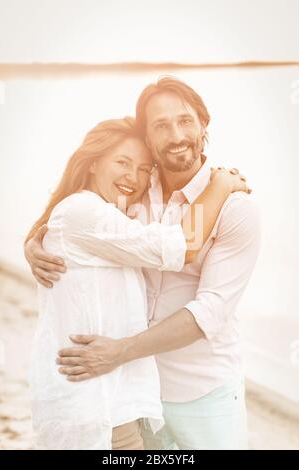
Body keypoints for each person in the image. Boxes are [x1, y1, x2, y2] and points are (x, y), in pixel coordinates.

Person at [25, 115, 249, 450]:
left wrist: (30, 242)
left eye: (145, 169)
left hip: (109, 407)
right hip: (95, 413)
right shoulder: (83, 212)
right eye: (122, 163)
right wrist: (220, 184)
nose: (134, 177)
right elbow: (180, 246)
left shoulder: (104, 216)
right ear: (91, 165)